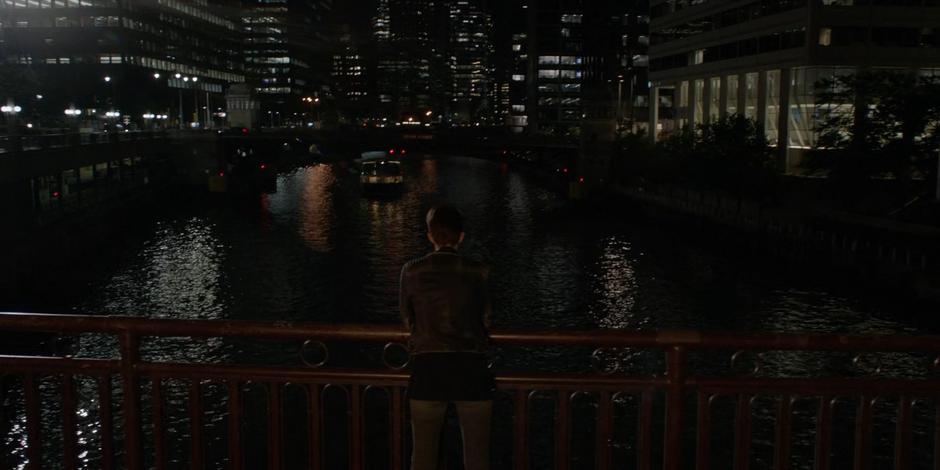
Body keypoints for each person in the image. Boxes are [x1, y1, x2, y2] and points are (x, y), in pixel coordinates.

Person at [399, 204, 493, 470]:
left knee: (423, 456)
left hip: (427, 367)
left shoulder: (412, 270)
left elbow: (407, 318)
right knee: (477, 457)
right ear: (461, 236)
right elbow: (486, 319)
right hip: (470, 367)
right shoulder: (479, 271)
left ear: (430, 236)